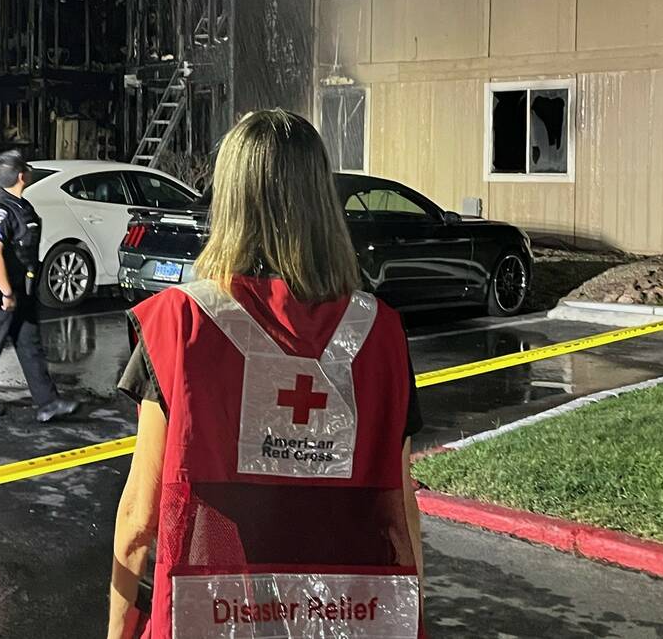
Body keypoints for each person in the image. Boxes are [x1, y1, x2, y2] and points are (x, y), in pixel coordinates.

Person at [108, 109, 426, 639]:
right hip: (345, 620)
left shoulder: (178, 326)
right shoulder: (381, 333)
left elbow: (138, 521)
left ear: (229, 202)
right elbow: (402, 512)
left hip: (211, 619)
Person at [0, 149, 78, 422]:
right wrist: (6, 292)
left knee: (30, 346)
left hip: (21, 290)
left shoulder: (18, 205)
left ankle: (48, 403)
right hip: (0, 293)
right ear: (22, 175)